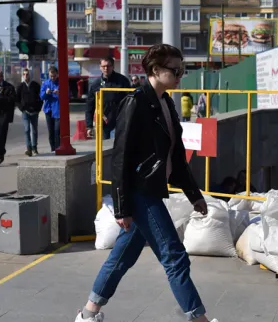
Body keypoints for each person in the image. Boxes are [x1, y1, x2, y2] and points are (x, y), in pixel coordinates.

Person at [74, 44, 218, 322]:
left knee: (124, 255)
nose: (180, 76)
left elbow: (175, 155)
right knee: (175, 256)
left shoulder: (165, 103)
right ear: (155, 70)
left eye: (182, 70)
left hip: (151, 190)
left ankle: (88, 313)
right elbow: (120, 158)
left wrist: (194, 195)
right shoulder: (135, 102)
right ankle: (198, 318)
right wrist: (121, 208)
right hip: (141, 192)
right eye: (175, 70)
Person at [85, 57, 131, 140]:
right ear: (100, 67)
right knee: (104, 150)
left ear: (113, 67)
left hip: (121, 122)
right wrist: (89, 126)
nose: (106, 68)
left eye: (108, 66)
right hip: (103, 123)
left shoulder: (123, 81)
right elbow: (90, 107)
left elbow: (131, 102)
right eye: (103, 66)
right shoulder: (96, 84)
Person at [17, 67, 42, 156]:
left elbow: (41, 97)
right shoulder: (20, 86)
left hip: (34, 111)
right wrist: (21, 108)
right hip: (25, 112)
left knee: (34, 130)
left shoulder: (35, 85)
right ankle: (29, 148)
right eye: (24, 74)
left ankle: (34, 147)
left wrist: (38, 108)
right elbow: (17, 99)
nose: (25, 76)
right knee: (27, 129)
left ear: (30, 75)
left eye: (27, 74)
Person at [41, 66, 61, 152]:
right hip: (48, 110)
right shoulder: (45, 84)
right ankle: (53, 149)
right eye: (51, 76)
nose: (52, 78)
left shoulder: (61, 83)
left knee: (57, 131)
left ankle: (58, 148)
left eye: (54, 76)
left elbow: (67, 95)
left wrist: (59, 93)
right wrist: (46, 93)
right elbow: (41, 96)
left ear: (57, 74)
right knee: (51, 132)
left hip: (57, 110)